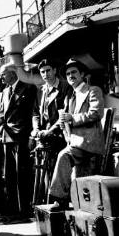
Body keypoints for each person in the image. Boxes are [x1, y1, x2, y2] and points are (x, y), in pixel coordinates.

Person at [48, 58, 105, 207]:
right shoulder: (70, 97)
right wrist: (63, 123)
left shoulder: (93, 90)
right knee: (63, 157)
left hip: (89, 143)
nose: (70, 76)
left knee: (63, 156)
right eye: (67, 74)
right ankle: (69, 200)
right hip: (76, 143)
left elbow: (96, 113)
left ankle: (59, 200)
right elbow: (67, 120)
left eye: (74, 72)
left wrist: (71, 118)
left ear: (82, 74)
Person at [0, 63, 39, 223]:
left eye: (3, 74)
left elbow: (32, 113)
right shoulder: (4, 92)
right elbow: (4, 114)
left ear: (13, 73)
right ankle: (12, 210)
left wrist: (31, 136)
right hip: (7, 137)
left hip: (21, 136)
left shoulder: (28, 88)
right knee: (10, 175)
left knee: (21, 175)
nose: (1, 77)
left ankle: (24, 211)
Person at [31, 59, 72, 150]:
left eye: (48, 70)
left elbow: (66, 113)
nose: (46, 74)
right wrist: (36, 129)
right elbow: (35, 113)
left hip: (61, 134)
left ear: (54, 70)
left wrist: (50, 131)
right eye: (43, 72)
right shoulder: (40, 90)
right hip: (44, 135)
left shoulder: (66, 87)